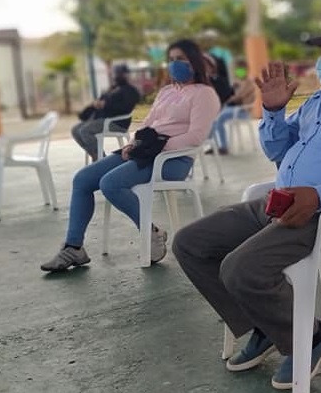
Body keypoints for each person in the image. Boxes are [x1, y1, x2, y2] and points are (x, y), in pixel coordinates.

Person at [172, 17, 321, 390]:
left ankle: (310, 337)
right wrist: (273, 111)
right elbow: (278, 151)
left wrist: (319, 195)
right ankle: (266, 327)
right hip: (282, 203)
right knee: (191, 243)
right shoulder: (319, 100)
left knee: (240, 268)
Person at [39, 39, 220, 272]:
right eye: (172, 59)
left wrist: (156, 147)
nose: (175, 64)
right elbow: (148, 123)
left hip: (173, 159)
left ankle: (151, 233)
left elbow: (196, 136)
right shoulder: (166, 91)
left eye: (181, 59)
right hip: (146, 150)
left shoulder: (205, 94)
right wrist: (134, 143)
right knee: (82, 179)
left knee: (110, 183)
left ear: (195, 61)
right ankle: (74, 248)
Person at [72, 64, 141, 161]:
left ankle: (100, 158)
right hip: (101, 120)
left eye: (121, 74)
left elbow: (125, 108)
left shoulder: (130, 91)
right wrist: (95, 105)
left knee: (85, 130)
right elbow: (101, 101)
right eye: (116, 73)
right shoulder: (111, 89)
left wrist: (106, 105)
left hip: (116, 123)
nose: (117, 76)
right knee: (75, 130)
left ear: (127, 75)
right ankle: (96, 155)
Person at [209, 60, 257, 155]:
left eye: (241, 69)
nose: (239, 71)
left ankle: (223, 147)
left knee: (219, 118)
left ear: (246, 69)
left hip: (242, 111)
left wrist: (229, 98)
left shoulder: (249, 82)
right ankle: (214, 145)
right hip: (233, 109)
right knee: (213, 118)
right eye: (238, 69)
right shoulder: (238, 82)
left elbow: (238, 97)